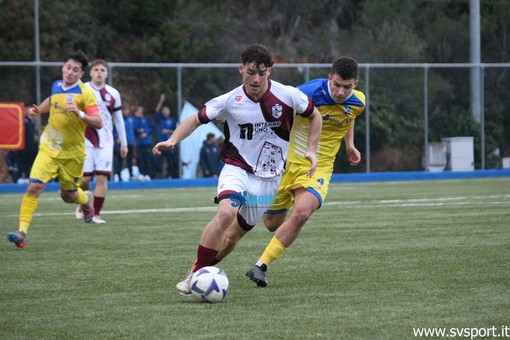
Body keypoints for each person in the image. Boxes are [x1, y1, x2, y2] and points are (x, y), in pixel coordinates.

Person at [152, 44, 322, 295]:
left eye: (262, 73)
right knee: (225, 214)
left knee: (232, 238)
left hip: (269, 180)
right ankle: (196, 273)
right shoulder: (229, 101)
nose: (256, 79)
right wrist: (173, 140)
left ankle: (201, 272)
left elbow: (314, 115)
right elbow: (195, 119)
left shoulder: (288, 95)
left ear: (270, 72)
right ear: (241, 69)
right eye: (251, 72)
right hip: (237, 169)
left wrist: (312, 149)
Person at [241, 56, 366, 287]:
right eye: (336, 85)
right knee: (271, 223)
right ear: (330, 78)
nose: (340, 92)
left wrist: (349, 145)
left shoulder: (358, 102)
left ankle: (261, 265)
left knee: (301, 213)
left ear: (355, 84)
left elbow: (350, 118)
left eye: (347, 87)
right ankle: (252, 199)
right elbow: (279, 110)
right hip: (287, 163)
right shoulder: (308, 92)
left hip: (318, 167)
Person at [7, 50, 102, 249]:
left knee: (68, 196)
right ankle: (22, 232)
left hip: (73, 154)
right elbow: (52, 101)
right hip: (49, 148)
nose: (70, 72)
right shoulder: (57, 85)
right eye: (68, 67)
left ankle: (86, 199)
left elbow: (98, 122)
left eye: (75, 70)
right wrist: (37, 110)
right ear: (62, 68)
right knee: (34, 187)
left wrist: (80, 113)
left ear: (81, 74)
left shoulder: (85, 93)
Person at [74, 59, 128, 224]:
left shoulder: (113, 93)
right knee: (84, 180)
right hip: (85, 141)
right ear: (90, 72)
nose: (99, 72)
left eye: (102, 70)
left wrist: (124, 143)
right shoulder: (82, 89)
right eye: (96, 69)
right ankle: (83, 202)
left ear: (106, 73)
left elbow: (118, 120)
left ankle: (95, 213)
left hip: (106, 141)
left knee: (102, 178)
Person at [154, 93, 179, 178]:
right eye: (163, 110)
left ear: (169, 111)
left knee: (171, 162)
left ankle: (169, 176)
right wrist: (161, 100)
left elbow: (176, 131)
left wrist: (167, 131)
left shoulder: (172, 120)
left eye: (166, 110)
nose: (164, 111)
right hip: (160, 144)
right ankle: (160, 177)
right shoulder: (159, 119)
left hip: (168, 144)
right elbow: (156, 111)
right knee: (159, 162)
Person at [133, 105, 153, 180]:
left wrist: (146, 133)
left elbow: (151, 127)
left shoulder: (146, 119)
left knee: (147, 158)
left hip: (147, 142)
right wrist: (138, 131)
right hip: (139, 143)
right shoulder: (135, 121)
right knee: (140, 158)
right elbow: (134, 130)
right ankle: (142, 174)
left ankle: (148, 174)